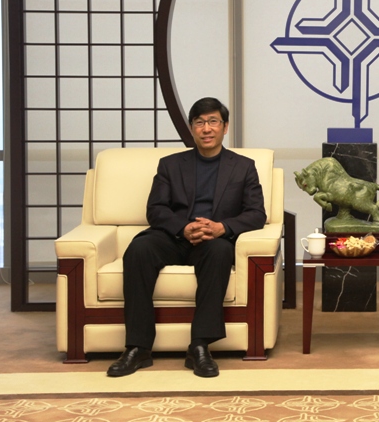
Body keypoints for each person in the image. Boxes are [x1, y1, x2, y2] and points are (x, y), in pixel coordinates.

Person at [107, 97, 266, 378]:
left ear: (225, 127)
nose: (207, 128)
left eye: (213, 121)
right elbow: (155, 209)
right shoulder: (170, 165)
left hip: (213, 240)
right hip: (174, 236)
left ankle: (199, 346)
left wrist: (221, 227)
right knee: (139, 250)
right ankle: (138, 347)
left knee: (219, 252)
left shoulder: (243, 166)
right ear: (192, 128)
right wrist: (184, 228)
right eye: (200, 122)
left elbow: (256, 214)